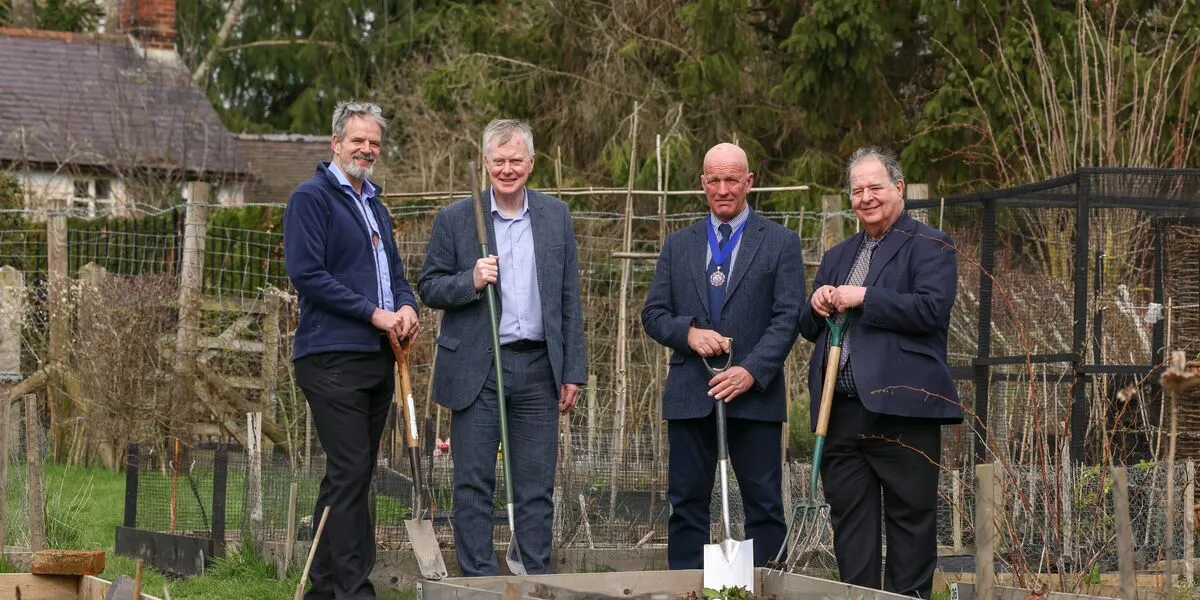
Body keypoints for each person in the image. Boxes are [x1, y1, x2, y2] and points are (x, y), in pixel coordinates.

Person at [417, 119, 586, 576]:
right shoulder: (457, 219)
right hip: (478, 368)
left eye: (516, 161)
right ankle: (481, 581)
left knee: (535, 484)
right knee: (472, 482)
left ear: (531, 164)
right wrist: (470, 280)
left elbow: (569, 298)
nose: (507, 170)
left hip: (538, 368)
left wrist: (573, 370)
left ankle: (532, 578)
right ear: (485, 164)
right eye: (498, 162)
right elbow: (429, 286)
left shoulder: (556, 216)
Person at [799, 146, 961, 598]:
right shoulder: (837, 255)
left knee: (910, 526)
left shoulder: (931, 245)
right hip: (841, 414)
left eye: (875, 187)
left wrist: (864, 297)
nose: (866, 197)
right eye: (857, 190)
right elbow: (809, 327)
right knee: (851, 527)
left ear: (899, 188)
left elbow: (930, 310)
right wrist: (815, 304)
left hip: (902, 411)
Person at [642, 142, 805, 569]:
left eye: (732, 179)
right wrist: (689, 334)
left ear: (749, 182)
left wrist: (751, 371)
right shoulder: (679, 245)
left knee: (765, 505)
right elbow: (653, 313)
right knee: (687, 505)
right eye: (714, 179)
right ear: (702, 183)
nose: (723, 188)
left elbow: (788, 317)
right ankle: (688, 594)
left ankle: (768, 592)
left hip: (754, 398)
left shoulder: (781, 242)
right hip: (691, 395)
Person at [283, 100, 420, 600]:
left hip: (376, 358)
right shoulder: (311, 198)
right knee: (352, 470)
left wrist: (405, 309)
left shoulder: (375, 206)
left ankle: (324, 588)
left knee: (349, 476)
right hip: (329, 356)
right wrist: (373, 313)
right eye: (357, 140)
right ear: (335, 143)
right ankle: (353, 590)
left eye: (374, 143)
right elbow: (308, 275)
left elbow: (396, 279)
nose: (367, 149)